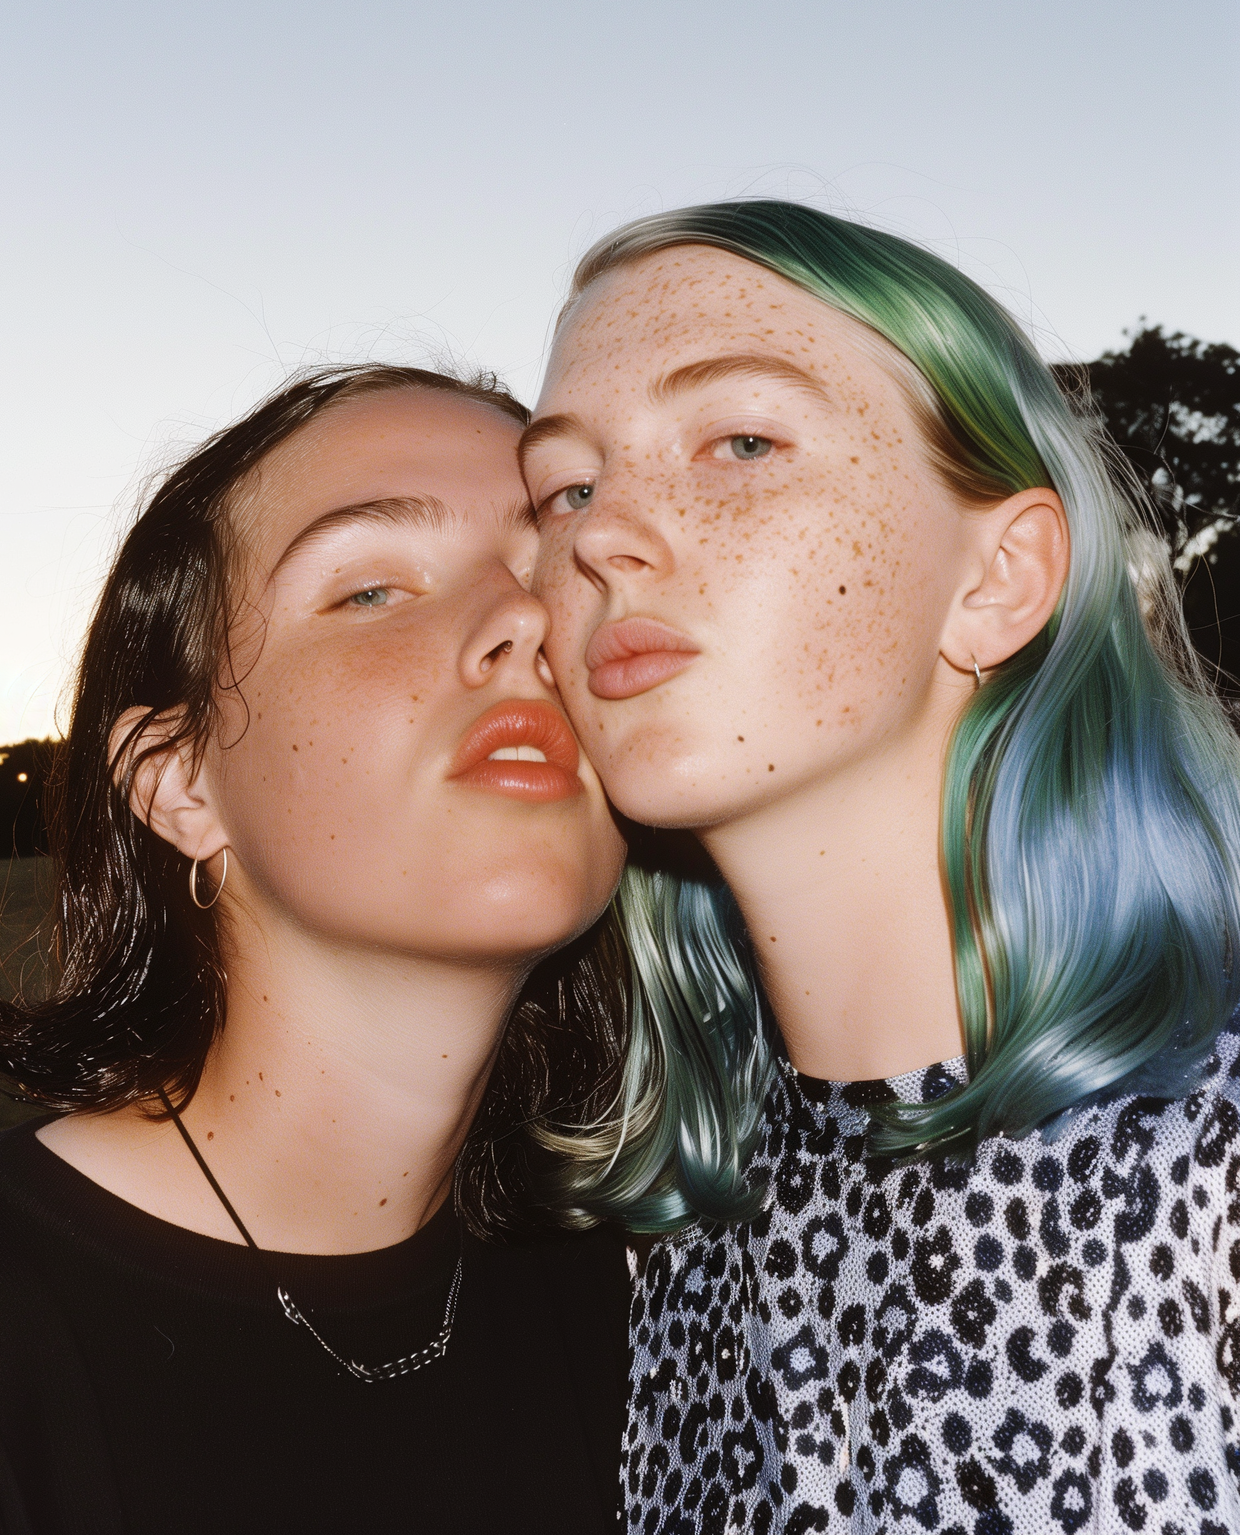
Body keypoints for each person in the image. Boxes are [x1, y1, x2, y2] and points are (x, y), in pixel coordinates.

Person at [522, 201, 1240, 1533]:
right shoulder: (672, 1245)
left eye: (739, 441)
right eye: (563, 484)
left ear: (998, 579)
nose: (599, 534)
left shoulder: (1212, 1182)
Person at [0, 364, 632, 1534]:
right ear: (180, 782)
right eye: (368, 590)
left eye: (554, 567)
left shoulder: (656, 1293)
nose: (525, 617)